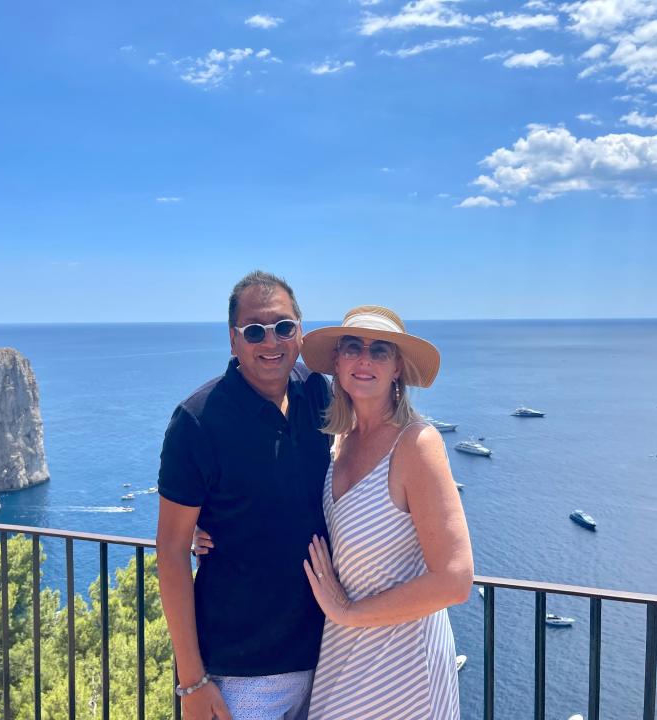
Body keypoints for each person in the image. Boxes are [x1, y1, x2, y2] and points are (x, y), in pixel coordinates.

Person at [196, 305, 473, 719]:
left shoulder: (416, 444)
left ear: (397, 367)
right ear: (337, 362)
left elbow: (455, 579)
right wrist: (211, 527)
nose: (364, 360)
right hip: (342, 655)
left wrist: (348, 612)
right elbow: (283, 504)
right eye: (352, 348)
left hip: (403, 664)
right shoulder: (335, 442)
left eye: (380, 351)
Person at [156, 271, 332, 720]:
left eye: (284, 327)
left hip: (328, 657)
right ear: (234, 340)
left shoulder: (317, 393)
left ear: (301, 332)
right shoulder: (198, 421)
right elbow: (172, 551)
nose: (270, 341)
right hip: (240, 676)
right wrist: (192, 682)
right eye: (255, 330)